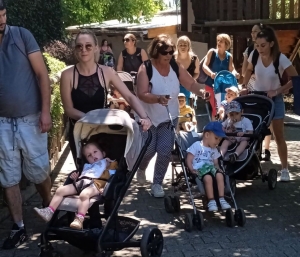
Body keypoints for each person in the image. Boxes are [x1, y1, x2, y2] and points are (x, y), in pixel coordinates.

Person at [0, 3, 52, 249]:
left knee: (39, 171)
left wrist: (45, 112)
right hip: (1, 123)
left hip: (30, 118)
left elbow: (42, 75)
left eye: (3, 16)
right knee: (8, 176)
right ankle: (19, 227)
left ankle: (49, 206)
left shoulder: (21, 35)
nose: (1, 22)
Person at [60, 29, 151, 164]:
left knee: (108, 172)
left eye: (88, 46)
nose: (83, 50)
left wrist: (145, 117)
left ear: (96, 47)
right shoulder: (67, 75)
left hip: (103, 132)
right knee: (85, 173)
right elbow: (69, 109)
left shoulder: (106, 72)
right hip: (80, 133)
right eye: (79, 46)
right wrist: (91, 121)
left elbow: (129, 96)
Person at [135, 34, 208, 197]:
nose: (168, 55)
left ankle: (157, 184)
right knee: (148, 150)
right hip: (148, 117)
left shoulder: (175, 66)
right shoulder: (145, 68)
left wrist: (202, 93)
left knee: (165, 150)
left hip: (170, 116)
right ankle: (141, 168)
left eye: (170, 52)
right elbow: (141, 93)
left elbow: (190, 83)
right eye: (165, 52)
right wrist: (157, 98)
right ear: (156, 52)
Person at [242, 26, 298, 181]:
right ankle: (250, 166)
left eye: (263, 45)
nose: (259, 49)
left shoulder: (281, 58)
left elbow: (295, 78)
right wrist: (245, 87)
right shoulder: (254, 55)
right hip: (258, 98)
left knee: (278, 135)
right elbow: (248, 71)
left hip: (275, 99)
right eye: (257, 45)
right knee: (253, 133)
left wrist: (278, 91)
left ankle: (285, 170)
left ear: (271, 44)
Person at [34, 141, 117, 230]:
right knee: (60, 190)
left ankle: (79, 219)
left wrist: (107, 181)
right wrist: (76, 178)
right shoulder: (88, 166)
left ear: (103, 153)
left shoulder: (108, 162)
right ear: (86, 159)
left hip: (96, 185)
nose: (93, 156)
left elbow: (113, 176)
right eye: (89, 155)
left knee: (84, 195)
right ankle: (49, 211)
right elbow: (83, 176)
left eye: (95, 152)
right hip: (81, 183)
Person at [241, 23, 272, 161]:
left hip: (266, 86)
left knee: (266, 118)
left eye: (256, 31)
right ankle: (254, 151)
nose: (253, 34)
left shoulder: (270, 51)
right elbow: (244, 70)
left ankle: (266, 149)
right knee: (254, 116)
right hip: (252, 84)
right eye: (252, 32)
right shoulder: (249, 50)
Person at [186, 121, 231, 212]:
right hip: (200, 169)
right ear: (207, 135)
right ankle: (211, 201)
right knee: (208, 178)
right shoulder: (196, 146)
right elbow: (189, 159)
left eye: (219, 140)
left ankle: (221, 199)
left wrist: (218, 168)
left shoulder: (214, 149)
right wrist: (191, 169)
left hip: (211, 168)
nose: (218, 142)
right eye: (216, 138)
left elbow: (216, 162)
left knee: (220, 175)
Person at [202, 34, 240, 120]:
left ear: (226, 44)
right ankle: (215, 128)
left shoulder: (229, 56)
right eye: (218, 41)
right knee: (216, 109)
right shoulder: (212, 52)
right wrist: (211, 73)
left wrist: (236, 74)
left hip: (223, 88)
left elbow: (232, 69)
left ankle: (223, 127)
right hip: (211, 85)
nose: (218, 43)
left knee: (224, 107)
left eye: (221, 41)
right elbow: (204, 66)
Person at [174, 36, 200, 106]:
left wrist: (190, 80)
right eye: (181, 45)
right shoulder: (172, 59)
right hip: (175, 87)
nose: (183, 47)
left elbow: (197, 73)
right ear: (177, 46)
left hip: (188, 87)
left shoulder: (194, 58)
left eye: (185, 45)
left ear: (188, 46)